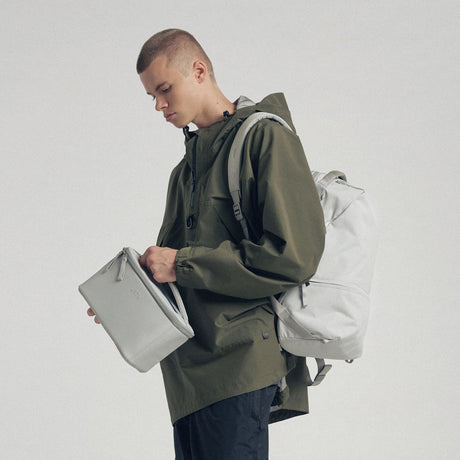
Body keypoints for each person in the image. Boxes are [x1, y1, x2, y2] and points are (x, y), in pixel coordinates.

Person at [88, 29, 325, 459]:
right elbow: (175, 276)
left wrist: (181, 264)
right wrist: (127, 303)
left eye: (164, 89)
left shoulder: (264, 138)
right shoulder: (184, 172)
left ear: (199, 71)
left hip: (238, 364)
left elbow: (294, 256)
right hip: (186, 378)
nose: (159, 105)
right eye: (151, 96)